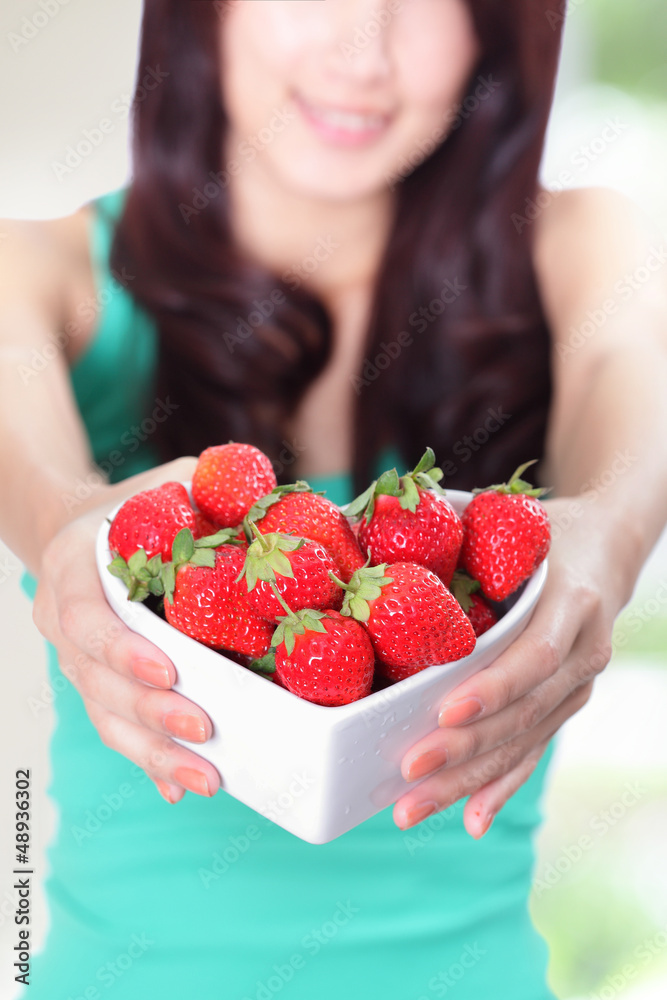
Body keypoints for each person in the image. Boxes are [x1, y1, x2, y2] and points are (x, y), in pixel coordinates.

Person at [2, 1, 666, 997]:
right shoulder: (39, 269)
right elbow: (35, 462)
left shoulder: (580, 244)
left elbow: (633, 367)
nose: (364, 50)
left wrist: (608, 537)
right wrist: (65, 534)